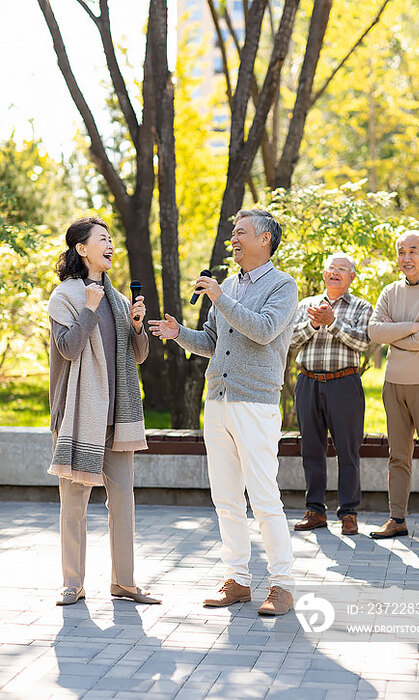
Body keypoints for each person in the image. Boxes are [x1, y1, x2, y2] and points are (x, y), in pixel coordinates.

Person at [149, 209, 298, 615]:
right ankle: (238, 580)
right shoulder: (229, 285)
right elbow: (213, 341)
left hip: (256, 402)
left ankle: (281, 584)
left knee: (265, 497)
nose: (233, 238)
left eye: (241, 232)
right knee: (226, 498)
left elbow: (264, 330)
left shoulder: (283, 285)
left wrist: (220, 297)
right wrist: (179, 334)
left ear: (265, 239)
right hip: (218, 401)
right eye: (233, 232)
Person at [48, 217, 160, 605]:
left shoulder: (117, 298)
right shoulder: (66, 295)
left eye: (112, 239)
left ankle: (124, 582)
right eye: (102, 239)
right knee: (74, 504)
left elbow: (139, 356)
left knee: (123, 500)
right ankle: (72, 583)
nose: (110, 245)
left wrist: (138, 327)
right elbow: (68, 348)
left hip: (119, 416)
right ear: (82, 249)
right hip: (80, 416)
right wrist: (88, 310)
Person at [368, 231, 419, 545]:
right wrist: (411, 328)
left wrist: (397, 338)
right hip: (394, 385)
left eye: (412, 251)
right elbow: (375, 331)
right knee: (397, 455)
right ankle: (397, 518)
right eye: (401, 251)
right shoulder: (390, 291)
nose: (406, 258)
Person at [291, 253, 372, 536]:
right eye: (331, 268)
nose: (335, 272)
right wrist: (314, 324)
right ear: (324, 274)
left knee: (348, 451)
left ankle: (348, 513)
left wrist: (333, 321)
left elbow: (362, 343)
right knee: (311, 449)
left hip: (344, 384)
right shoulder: (306, 305)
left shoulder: (362, 307)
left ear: (352, 277)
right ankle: (315, 510)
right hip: (308, 382)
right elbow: (289, 340)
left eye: (342, 269)